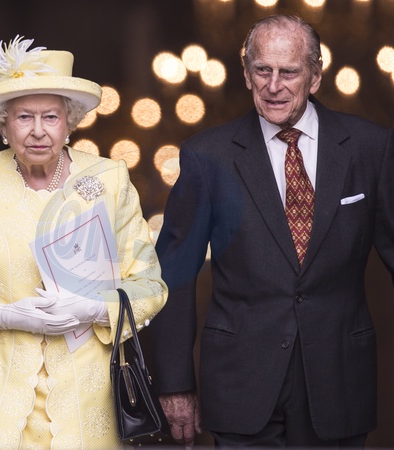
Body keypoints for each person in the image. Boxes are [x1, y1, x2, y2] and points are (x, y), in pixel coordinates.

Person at [149, 14, 394, 448]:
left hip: (339, 382)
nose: (273, 85)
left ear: (315, 76)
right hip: (240, 385)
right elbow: (175, 274)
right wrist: (174, 384)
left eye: (289, 72)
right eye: (262, 70)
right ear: (247, 75)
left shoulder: (371, 147)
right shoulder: (208, 156)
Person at [0, 35, 167, 449]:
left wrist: (94, 309)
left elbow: (150, 286)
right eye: (24, 117)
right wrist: (5, 316)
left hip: (87, 405)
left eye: (50, 116)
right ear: (4, 124)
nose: (38, 131)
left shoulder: (109, 179)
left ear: (70, 122)